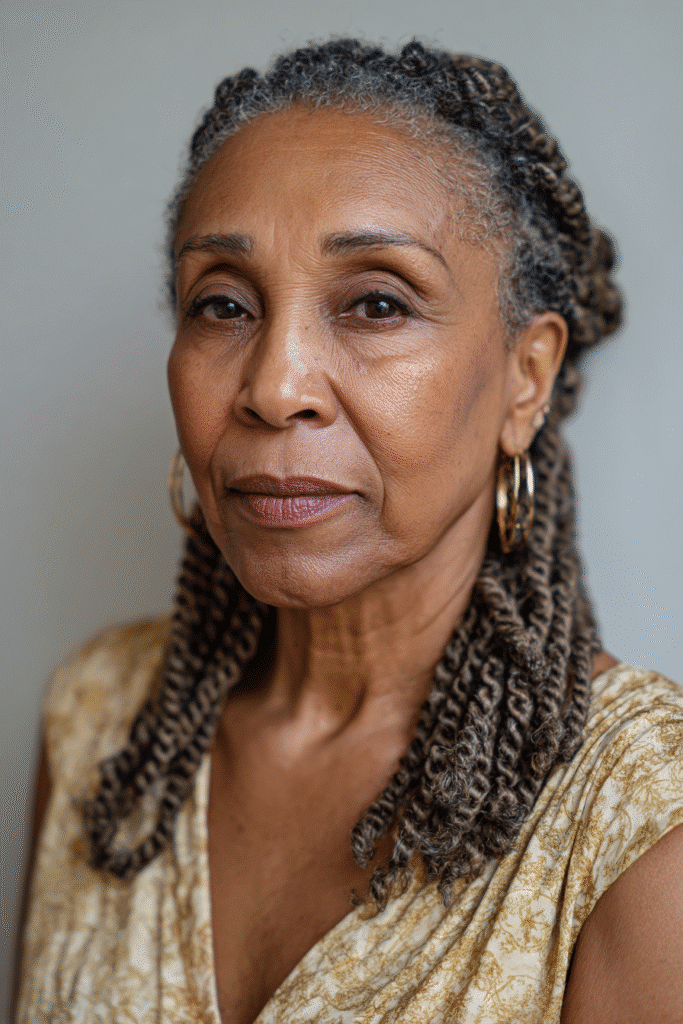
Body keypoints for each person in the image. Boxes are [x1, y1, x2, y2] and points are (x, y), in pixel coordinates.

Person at [15, 38, 683, 1024]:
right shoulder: (100, 721)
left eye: (376, 302)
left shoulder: (638, 820)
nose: (274, 386)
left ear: (523, 377)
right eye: (223, 305)